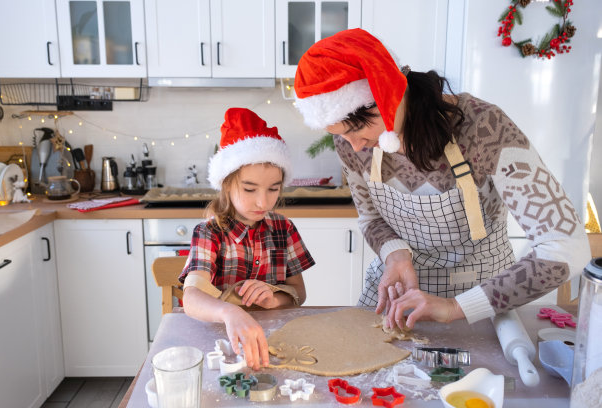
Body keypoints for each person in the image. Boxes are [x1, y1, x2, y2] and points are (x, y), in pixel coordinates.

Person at [293, 28, 591, 330]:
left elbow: (565, 246)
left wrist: (453, 307)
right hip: (399, 296)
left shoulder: (484, 127)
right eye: (340, 134)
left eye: (355, 130)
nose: (352, 145)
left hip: (482, 297)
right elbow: (370, 219)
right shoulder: (351, 143)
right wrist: (395, 255)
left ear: (385, 96)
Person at [179, 108, 315, 370]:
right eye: (250, 189)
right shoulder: (209, 232)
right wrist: (230, 311)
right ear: (226, 184)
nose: (263, 201)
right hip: (220, 344)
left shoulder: (284, 229)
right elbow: (192, 298)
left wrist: (273, 298)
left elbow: (299, 292)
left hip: (273, 341)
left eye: (273, 189)